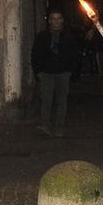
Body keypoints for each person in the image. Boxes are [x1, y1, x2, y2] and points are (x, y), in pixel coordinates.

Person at [31, 9, 81, 137]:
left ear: (62, 20)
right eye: (53, 19)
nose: (56, 21)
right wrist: (39, 72)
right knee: (46, 100)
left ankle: (59, 127)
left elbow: (74, 54)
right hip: (46, 73)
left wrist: (70, 71)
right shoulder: (42, 36)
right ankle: (45, 125)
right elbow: (35, 55)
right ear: (49, 21)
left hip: (63, 73)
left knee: (61, 101)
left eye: (58, 18)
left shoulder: (68, 37)